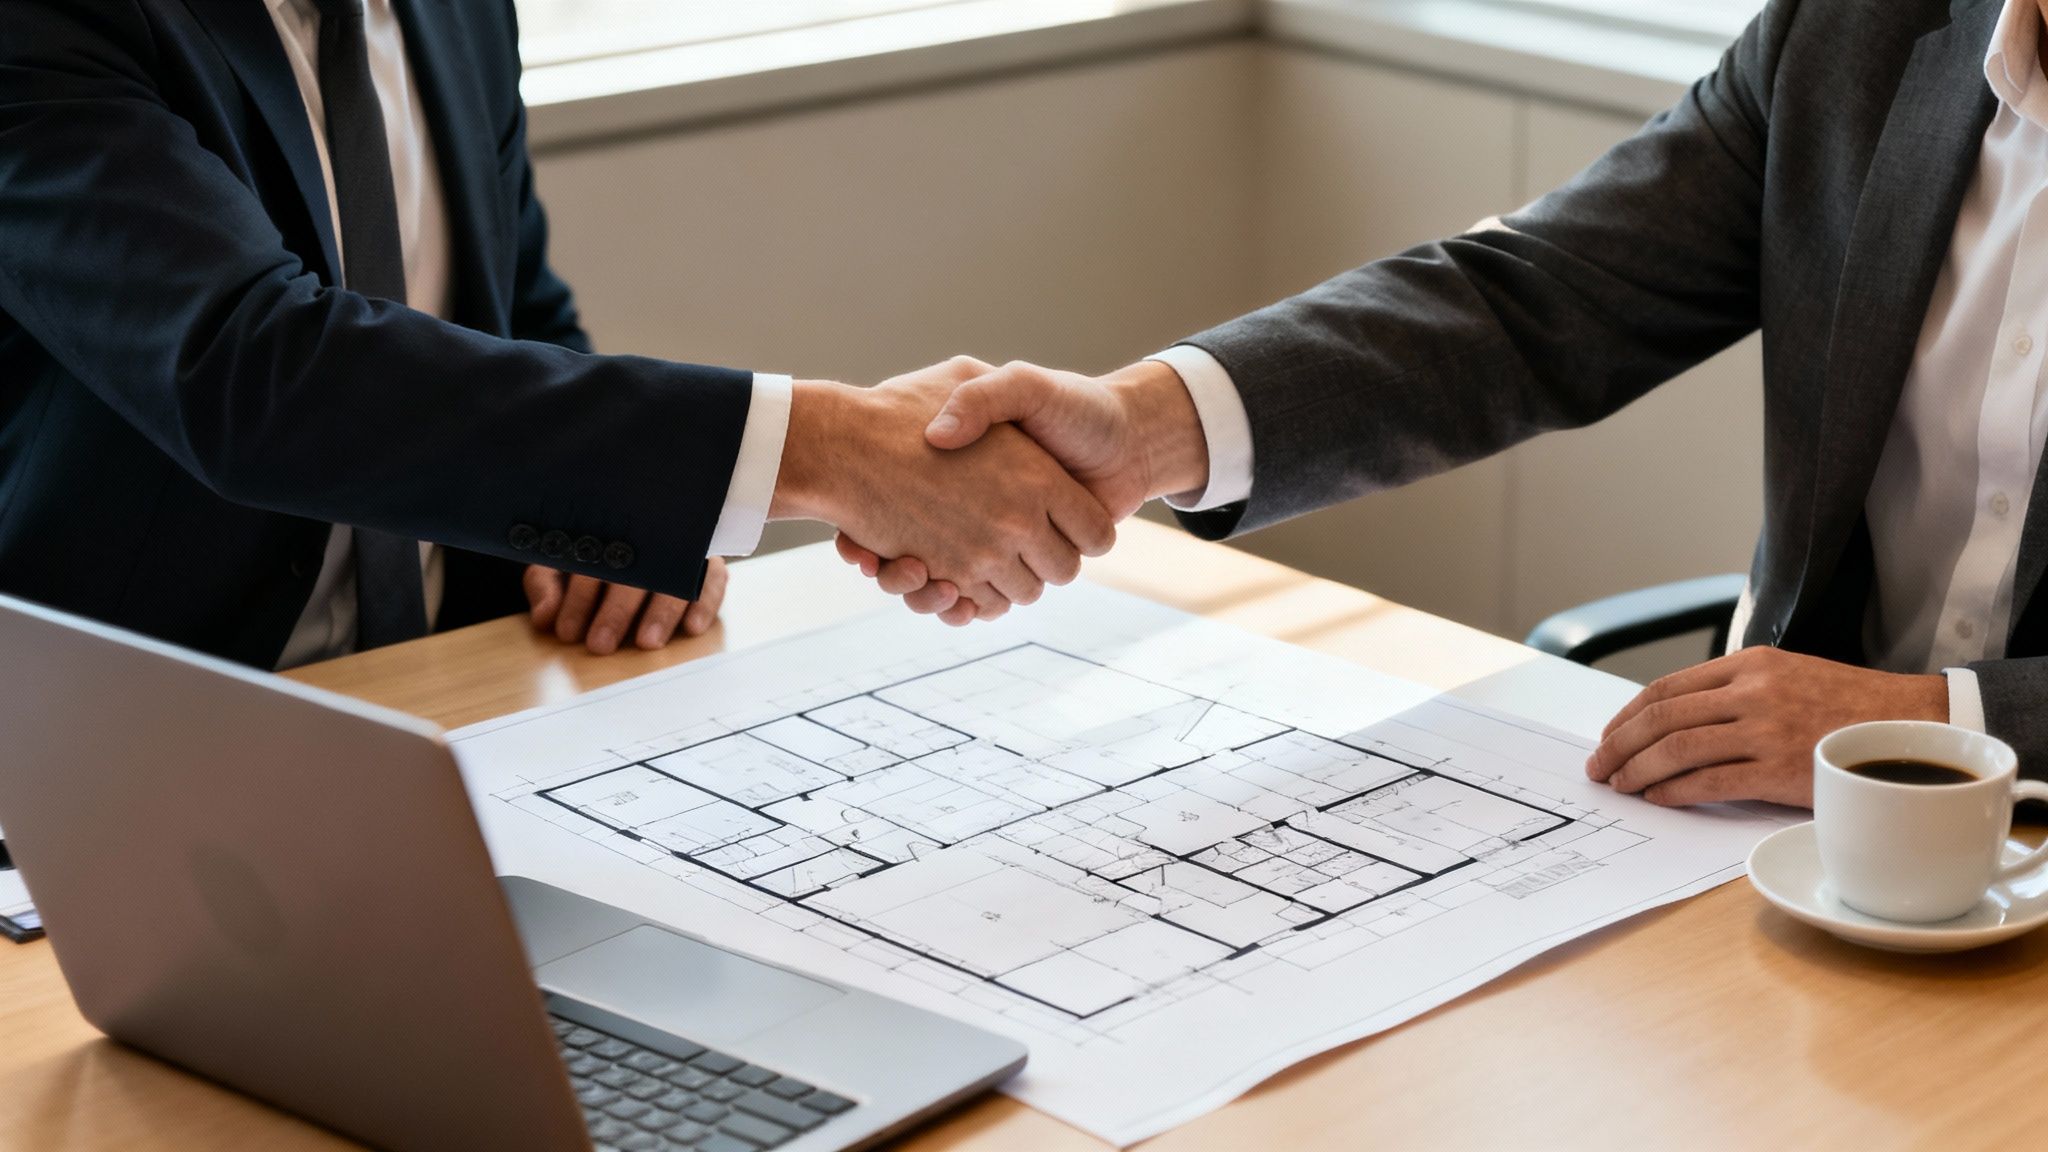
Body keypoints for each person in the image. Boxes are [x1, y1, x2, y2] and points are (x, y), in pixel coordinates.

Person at [845, 0, 2048, 809]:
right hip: (1782, 843)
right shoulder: (1858, 30)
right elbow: (1536, 299)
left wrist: (1925, 718)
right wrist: (1142, 426)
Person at [0, 0, 1112, 670]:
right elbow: (254, 370)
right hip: (125, 727)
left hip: (469, 687)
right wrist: (816, 448)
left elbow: (514, 309)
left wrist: (621, 531)